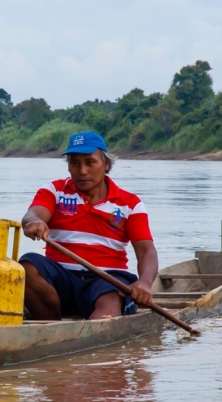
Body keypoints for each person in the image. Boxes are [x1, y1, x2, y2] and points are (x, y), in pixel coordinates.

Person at [20, 131, 158, 320]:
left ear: (105, 164)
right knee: (27, 266)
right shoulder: (54, 190)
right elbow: (33, 214)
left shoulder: (130, 203)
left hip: (106, 279)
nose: (82, 171)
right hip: (62, 279)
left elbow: (146, 251)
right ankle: (51, 326)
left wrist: (144, 283)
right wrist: (34, 222)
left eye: (90, 162)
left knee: (111, 297)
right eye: (74, 163)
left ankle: (92, 332)